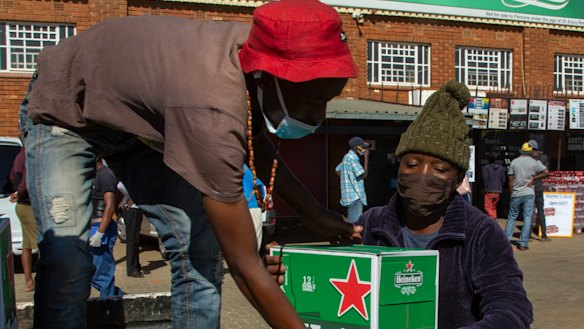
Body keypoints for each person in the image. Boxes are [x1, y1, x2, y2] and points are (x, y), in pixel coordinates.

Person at [21, 1, 361, 328]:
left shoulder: (261, 59)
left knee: (198, 249)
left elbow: (250, 142)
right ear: (267, 76)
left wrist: (313, 213)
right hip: (67, 108)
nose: (320, 116)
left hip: (143, 120)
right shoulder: (209, 108)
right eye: (315, 101)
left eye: (327, 100)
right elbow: (245, 267)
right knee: (68, 258)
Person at [266, 81, 533, 328]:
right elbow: (333, 290)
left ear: (458, 179)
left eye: (439, 168)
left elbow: (511, 307)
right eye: (412, 164)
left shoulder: (480, 233)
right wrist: (289, 273)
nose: (423, 175)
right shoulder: (370, 225)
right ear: (400, 166)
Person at [504, 140, 549, 251]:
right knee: (527, 217)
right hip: (529, 193)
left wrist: (512, 192)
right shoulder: (534, 162)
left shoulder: (514, 162)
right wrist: (534, 178)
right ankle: (523, 243)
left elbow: (510, 178)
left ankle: (506, 241)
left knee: (512, 217)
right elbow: (546, 172)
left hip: (516, 193)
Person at [90, 157, 123, 297]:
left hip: (101, 227)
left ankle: (109, 303)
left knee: (102, 272)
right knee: (91, 271)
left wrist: (100, 232)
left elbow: (109, 207)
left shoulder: (105, 175)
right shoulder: (93, 175)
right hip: (92, 226)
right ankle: (115, 296)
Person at [9, 146, 39, 293]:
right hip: (30, 205)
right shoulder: (29, 155)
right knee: (42, 242)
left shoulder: (20, 155)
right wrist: (20, 193)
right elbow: (27, 180)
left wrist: (17, 192)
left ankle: (29, 281)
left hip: (22, 205)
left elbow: (13, 176)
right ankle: (39, 280)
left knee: (26, 244)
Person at [335, 136, 370, 223]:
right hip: (355, 196)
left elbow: (337, 170)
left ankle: (346, 236)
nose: (363, 149)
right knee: (354, 226)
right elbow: (364, 175)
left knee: (350, 223)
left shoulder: (346, 157)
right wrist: (366, 157)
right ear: (356, 147)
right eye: (362, 147)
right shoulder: (352, 159)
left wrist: (347, 177)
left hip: (349, 196)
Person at [117, 181, 145, 277]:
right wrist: (132, 196)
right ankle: (132, 269)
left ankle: (135, 266)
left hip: (133, 209)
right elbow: (120, 186)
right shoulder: (132, 177)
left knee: (134, 240)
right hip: (133, 210)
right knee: (133, 240)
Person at [242, 164, 266, 251]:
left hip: (237, 209)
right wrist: (261, 202)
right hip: (252, 207)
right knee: (255, 240)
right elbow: (258, 186)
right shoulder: (246, 168)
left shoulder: (229, 166)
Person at [532, 143, 551, 242]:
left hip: (530, 187)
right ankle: (543, 235)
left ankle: (528, 234)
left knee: (529, 211)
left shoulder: (530, 160)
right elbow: (546, 174)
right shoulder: (543, 159)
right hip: (539, 187)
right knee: (541, 211)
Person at [481, 154, 506, 219]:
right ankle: (492, 218)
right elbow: (503, 180)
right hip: (498, 190)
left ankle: (493, 218)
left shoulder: (485, 168)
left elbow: (485, 179)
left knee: (487, 206)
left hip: (489, 190)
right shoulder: (501, 168)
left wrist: (484, 188)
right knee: (493, 206)